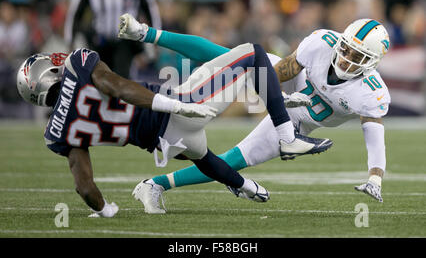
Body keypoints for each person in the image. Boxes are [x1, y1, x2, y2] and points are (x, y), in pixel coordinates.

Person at [16, 24, 331, 216]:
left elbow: (84, 185)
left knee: (205, 157)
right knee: (253, 54)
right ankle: (287, 136)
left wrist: (105, 210)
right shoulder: (77, 65)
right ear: (45, 74)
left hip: (161, 142)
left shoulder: (56, 133)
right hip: (174, 110)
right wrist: (173, 105)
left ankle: (243, 185)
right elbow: (120, 88)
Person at [118, 14, 391, 214]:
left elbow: (374, 134)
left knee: (234, 160)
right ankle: (146, 33)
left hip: (301, 122)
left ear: (372, 64)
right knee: (228, 57)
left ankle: (154, 185)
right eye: (345, 49)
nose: (345, 58)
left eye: (357, 56)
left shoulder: (371, 93)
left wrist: (375, 177)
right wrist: (279, 98)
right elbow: (279, 74)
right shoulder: (321, 43)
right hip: (287, 87)